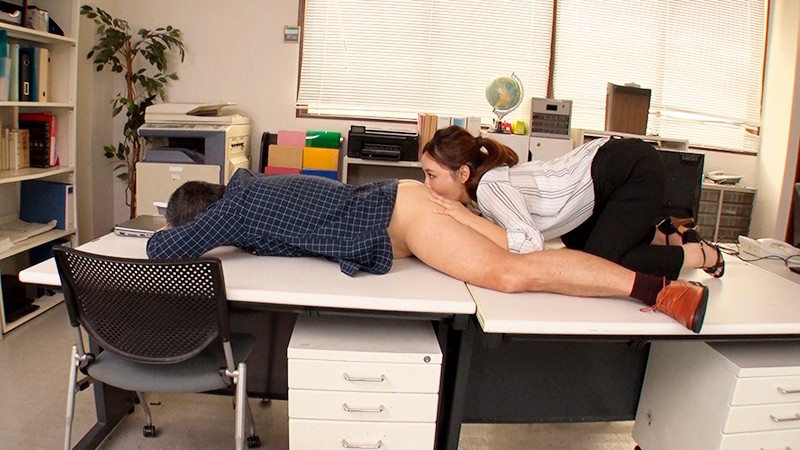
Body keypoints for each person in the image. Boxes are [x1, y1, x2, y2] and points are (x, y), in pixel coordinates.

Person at [147, 168, 710, 333]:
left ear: (206, 216)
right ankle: (658, 279)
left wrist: (168, 229)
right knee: (513, 256)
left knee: (509, 274)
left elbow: (162, 250)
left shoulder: (236, 207)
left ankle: (663, 291)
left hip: (404, 218)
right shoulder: (252, 192)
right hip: (398, 208)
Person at [420, 125, 725, 281]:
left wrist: (464, 217)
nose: (426, 184)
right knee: (575, 240)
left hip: (630, 170)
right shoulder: (480, 194)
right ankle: (666, 236)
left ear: (463, 173)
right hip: (605, 176)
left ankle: (700, 255)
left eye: (431, 175)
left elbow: (530, 244)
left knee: (601, 267)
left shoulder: (488, 187)